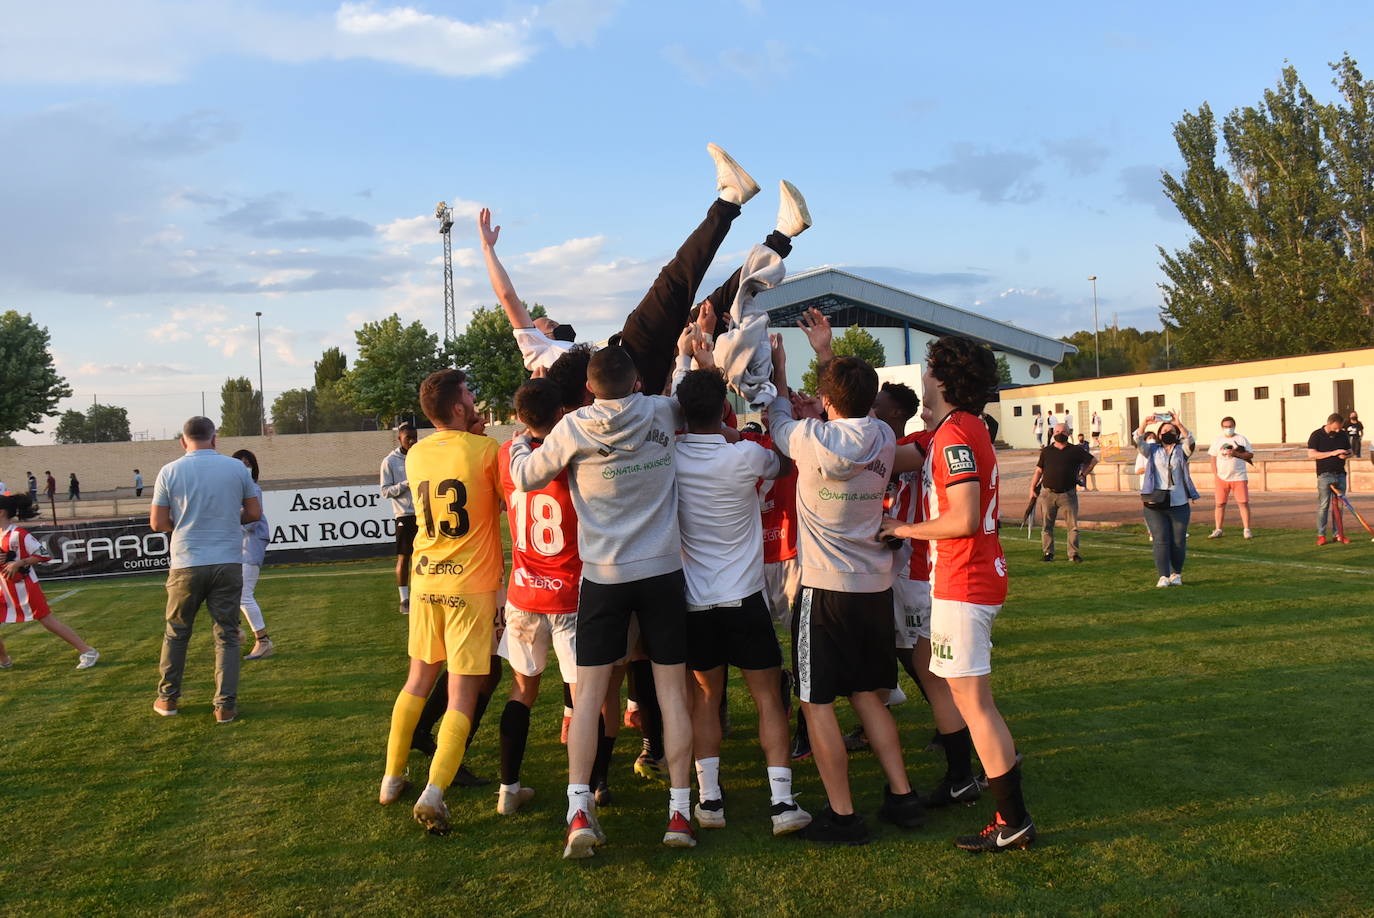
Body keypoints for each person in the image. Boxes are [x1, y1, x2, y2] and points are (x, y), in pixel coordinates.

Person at [506, 346, 697, 858]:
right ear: (635, 380)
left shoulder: (571, 429)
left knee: (587, 699)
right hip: (660, 572)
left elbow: (526, 475)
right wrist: (683, 356)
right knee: (671, 694)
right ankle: (680, 811)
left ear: (588, 389)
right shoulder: (659, 409)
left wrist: (521, 445)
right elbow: (688, 400)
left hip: (603, 579)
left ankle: (578, 811)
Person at [481, 143, 809, 408]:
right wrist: (488, 250)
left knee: (715, 305)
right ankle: (730, 199)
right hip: (630, 359)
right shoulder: (535, 352)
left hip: (638, 382)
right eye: (539, 322)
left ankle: (782, 236)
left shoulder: (569, 354)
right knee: (674, 283)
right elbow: (508, 297)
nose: (544, 320)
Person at [767, 336, 924, 846]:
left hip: (824, 590)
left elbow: (776, 415)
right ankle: (902, 796)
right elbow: (847, 403)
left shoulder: (809, 438)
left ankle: (843, 814)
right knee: (867, 698)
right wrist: (827, 360)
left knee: (815, 704)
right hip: (874, 587)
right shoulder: (881, 434)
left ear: (827, 401)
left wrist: (780, 367)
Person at [880, 336, 1033, 853]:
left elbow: (964, 518)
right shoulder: (951, 430)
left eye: (927, 371)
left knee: (977, 706)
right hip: (964, 580)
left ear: (942, 380)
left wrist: (903, 530)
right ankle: (1005, 813)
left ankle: (1013, 821)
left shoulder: (954, 437)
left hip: (965, 581)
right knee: (971, 702)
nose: (922, 379)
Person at [673, 356, 811, 837]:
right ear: (725, 408)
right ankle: (780, 802)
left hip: (696, 601)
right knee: (768, 699)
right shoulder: (745, 454)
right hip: (745, 597)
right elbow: (783, 458)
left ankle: (710, 798)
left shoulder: (669, 455)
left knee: (706, 701)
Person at [377, 369, 504, 836]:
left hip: (426, 578)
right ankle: (434, 791)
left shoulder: (416, 454)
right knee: (462, 694)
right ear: (457, 407)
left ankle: (392, 778)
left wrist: (466, 436)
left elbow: (451, 462)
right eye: (469, 393)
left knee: (417, 680)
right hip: (470, 585)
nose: (474, 399)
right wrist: (477, 439)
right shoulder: (488, 450)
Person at [494, 378, 585, 815]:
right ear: (561, 413)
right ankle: (585, 793)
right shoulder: (572, 454)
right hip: (568, 590)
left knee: (522, 690)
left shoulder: (505, 454)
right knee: (583, 695)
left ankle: (508, 788)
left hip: (525, 589)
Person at [150, 417, 261, 723]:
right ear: (215, 438)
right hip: (227, 561)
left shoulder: (169, 470)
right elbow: (253, 513)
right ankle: (225, 706)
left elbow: (158, 523)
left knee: (176, 634)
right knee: (226, 635)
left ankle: (168, 700)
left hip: (186, 562)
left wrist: (187, 524)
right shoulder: (237, 468)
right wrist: (222, 521)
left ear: (183, 441)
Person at [0, 494, 100, 671]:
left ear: (1, 512)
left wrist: (19, 562)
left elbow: (43, 554)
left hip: (25, 587)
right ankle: (4, 660)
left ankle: (88, 651)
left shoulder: (18, 534)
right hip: (3, 587)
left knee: (47, 621)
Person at [1134, 410, 1199, 586]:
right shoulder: (1152, 450)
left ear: (1176, 434)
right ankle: (1163, 575)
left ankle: (1176, 573)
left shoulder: (1181, 451)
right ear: (1159, 435)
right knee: (1160, 539)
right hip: (1155, 502)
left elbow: (1191, 442)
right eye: (1164, 432)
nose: (1167, 434)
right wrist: (1144, 424)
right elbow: (1138, 442)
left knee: (1178, 540)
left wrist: (1178, 424)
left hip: (1178, 501)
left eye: (1171, 432)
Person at [1030, 423, 1095, 563]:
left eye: (1063, 431)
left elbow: (1093, 461)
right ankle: (1048, 553)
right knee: (1047, 526)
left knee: (1073, 526)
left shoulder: (1075, 450)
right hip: (1048, 493)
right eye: (1058, 431)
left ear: (1068, 433)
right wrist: (1032, 489)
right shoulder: (1046, 451)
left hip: (1068, 494)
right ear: (1053, 433)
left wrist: (1083, 474)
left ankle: (1073, 554)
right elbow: (1038, 471)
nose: (1060, 433)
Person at [231, 450, 273, 661]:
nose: (245, 467)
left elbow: (253, 522)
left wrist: (226, 518)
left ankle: (263, 641)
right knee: (231, 591)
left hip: (251, 544)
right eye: (240, 463)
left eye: (248, 463)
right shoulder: (234, 492)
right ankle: (234, 633)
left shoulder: (253, 489)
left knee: (244, 594)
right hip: (238, 547)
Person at [380, 423, 419, 615]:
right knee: (404, 557)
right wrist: (405, 484)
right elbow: (385, 491)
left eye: (414, 437)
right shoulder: (390, 461)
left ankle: (422, 594)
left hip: (423, 513)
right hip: (404, 514)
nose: (412, 441)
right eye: (408, 438)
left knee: (426, 557)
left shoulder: (421, 455)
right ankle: (404, 599)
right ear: (399, 439)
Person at [1308, 413, 1352, 546]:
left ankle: (1338, 534)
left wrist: (1346, 455)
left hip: (1340, 474)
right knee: (1324, 506)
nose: (1338, 430)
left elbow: (1350, 450)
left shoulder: (1343, 435)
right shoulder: (1316, 435)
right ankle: (1321, 535)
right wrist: (1333, 453)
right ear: (1330, 423)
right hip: (1324, 475)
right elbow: (1311, 454)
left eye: (1340, 428)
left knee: (1339, 507)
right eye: (1336, 428)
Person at [1207, 417, 1254, 540]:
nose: (1228, 428)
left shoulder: (1241, 439)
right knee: (1220, 503)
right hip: (1222, 478)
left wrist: (1237, 454)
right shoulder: (1217, 441)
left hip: (1239, 476)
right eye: (1226, 426)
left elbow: (1250, 454)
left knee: (1243, 502)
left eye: (1230, 426)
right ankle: (1218, 529)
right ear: (1222, 427)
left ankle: (1247, 529)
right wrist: (1215, 474)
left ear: (1234, 426)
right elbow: (1212, 457)